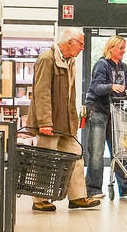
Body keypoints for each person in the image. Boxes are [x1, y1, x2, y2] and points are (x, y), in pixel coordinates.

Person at [28, 27, 95, 211]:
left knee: (76, 155)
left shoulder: (70, 61)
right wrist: (44, 122)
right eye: (81, 43)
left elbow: (70, 96)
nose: (82, 47)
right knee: (45, 160)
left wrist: (73, 122)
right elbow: (41, 93)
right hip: (49, 123)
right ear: (69, 42)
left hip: (65, 123)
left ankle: (78, 197)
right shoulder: (47, 59)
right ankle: (39, 200)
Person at [86, 35, 127, 200]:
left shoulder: (124, 67)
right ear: (111, 48)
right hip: (98, 111)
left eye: (124, 47)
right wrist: (111, 86)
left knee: (119, 150)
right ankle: (92, 189)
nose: (123, 51)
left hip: (115, 112)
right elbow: (96, 87)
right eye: (120, 47)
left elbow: (124, 88)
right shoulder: (101, 65)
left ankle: (126, 187)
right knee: (96, 151)